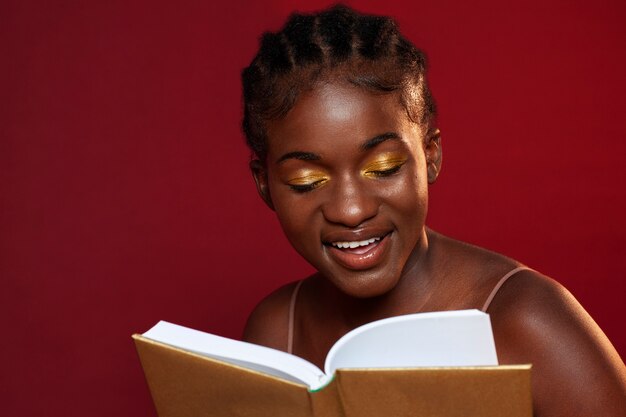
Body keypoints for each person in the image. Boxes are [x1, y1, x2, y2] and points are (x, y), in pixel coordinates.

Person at [240, 5, 626, 416]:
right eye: (306, 181)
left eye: (384, 168)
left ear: (431, 154)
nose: (351, 210)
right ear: (264, 184)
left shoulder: (527, 320)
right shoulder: (274, 331)